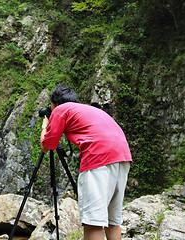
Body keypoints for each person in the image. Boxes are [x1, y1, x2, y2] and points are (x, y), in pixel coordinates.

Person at [40, 84, 132, 240]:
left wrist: (44, 126)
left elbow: (47, 145)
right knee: (112, 222)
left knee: (93, 223)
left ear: (55, 103)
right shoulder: (88, 110)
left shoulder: (61, 110)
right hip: (122, 157)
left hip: (98, 158)